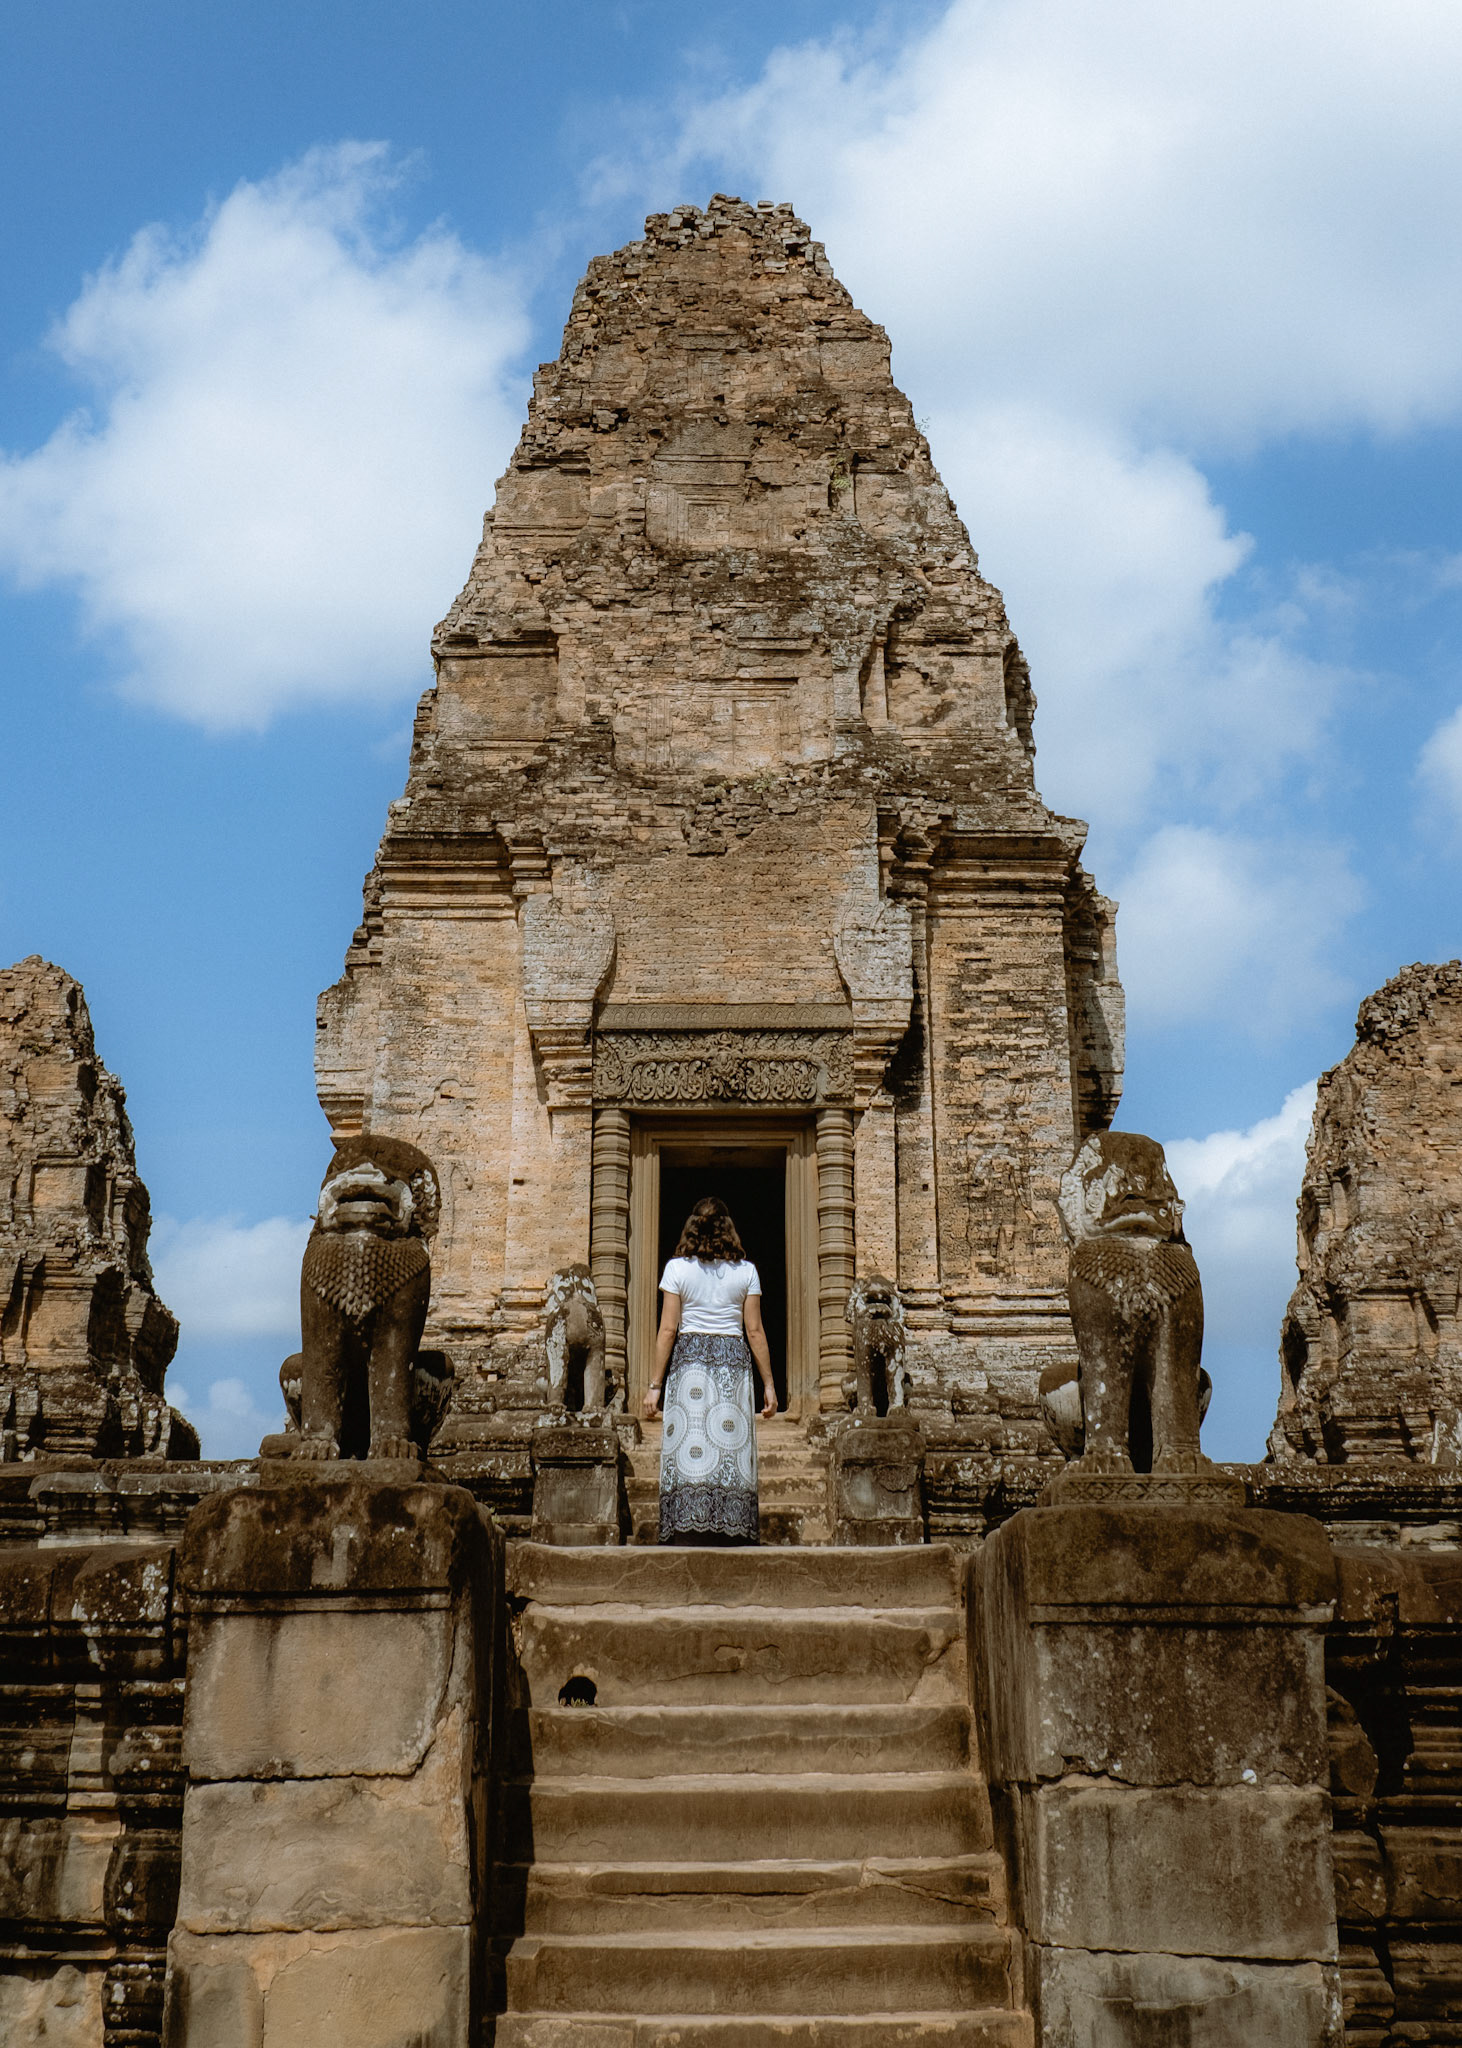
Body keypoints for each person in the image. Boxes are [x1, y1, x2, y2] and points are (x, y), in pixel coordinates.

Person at [642, 1196, 777, 1544]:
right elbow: (755, 1331)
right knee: (729, 1442)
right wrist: (770, 1385)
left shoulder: (677, 1269)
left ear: (691, 1227)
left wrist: (654, 1385)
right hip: (732, 1360)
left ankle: (687, 1524)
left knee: (692, 1440)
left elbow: (668, 1329)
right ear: (729, 1231)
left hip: (690, 1361)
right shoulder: (746, 1272)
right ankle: (731, 1527)